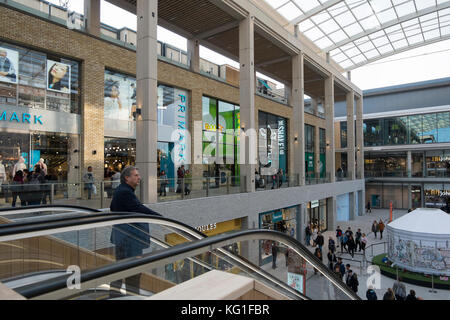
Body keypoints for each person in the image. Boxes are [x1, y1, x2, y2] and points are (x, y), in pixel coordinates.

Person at [109, 166, 163, 297]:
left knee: (121, 269)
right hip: (129, 238)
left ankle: (116, 295)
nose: (139, 178)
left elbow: (113, 208)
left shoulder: (122, 190)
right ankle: (131, 296)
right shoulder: (125, 192)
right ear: (127, 177)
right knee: (133, 271)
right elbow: (139, 208)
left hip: (123, 237)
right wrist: (160, 217)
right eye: (136, 175)